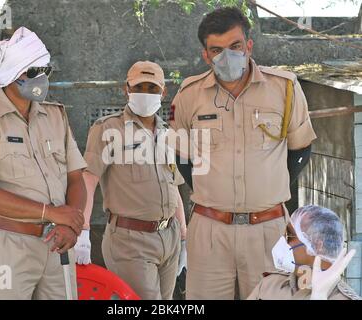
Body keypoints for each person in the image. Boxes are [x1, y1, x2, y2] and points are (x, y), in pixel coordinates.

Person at [169, 7, 317, 299]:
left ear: (249, 45)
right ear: (205, 55)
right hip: (210, 231)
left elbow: (300, 149)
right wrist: (212, 191)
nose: (227, 55)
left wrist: (267, 189)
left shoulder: (285, 88)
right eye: (217, 49)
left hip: (268, 230)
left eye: (235, 46)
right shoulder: (188, 95)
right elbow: (182, 158)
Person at [0, 27, 87, 300]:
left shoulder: (55, 116)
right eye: (34, 71)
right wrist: (51, 213)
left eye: (45, 70)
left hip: (57, 244)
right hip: (8, 248)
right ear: (13, 75)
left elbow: (76, 177)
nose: (42, 78)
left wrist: (70, 223)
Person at [80, 61, 187, 299]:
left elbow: (175, 187)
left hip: (169, 236)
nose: (145, 94)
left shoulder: (169, 134)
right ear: (126, 89)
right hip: (130, 241)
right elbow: (88, 179)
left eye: (152, 88)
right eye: (139, 87)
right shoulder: (108, 129)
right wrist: (83, 231)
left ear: (163, 92)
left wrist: (183, 237)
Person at [247, 205, 361, 300]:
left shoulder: (341, 298)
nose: (282, 240)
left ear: (317, 245)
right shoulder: (269, 284)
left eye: (289, 236)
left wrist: (319, 296)